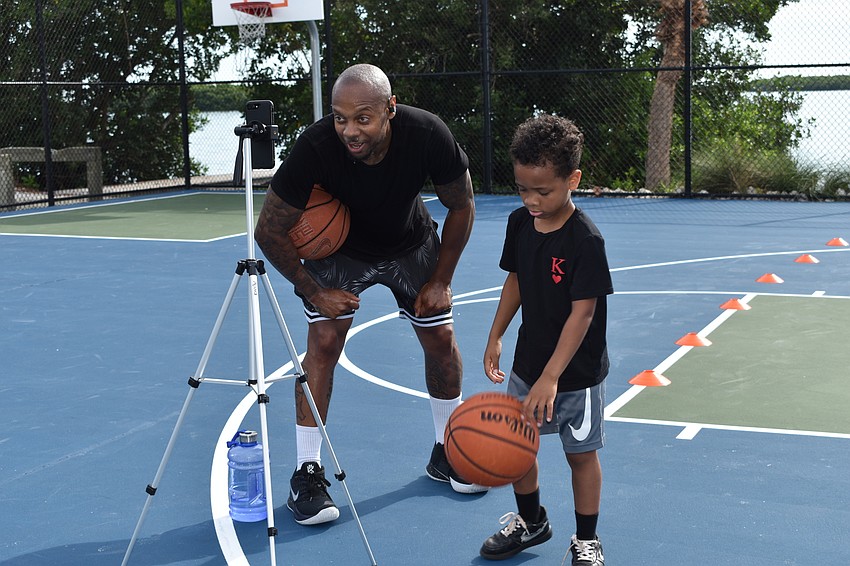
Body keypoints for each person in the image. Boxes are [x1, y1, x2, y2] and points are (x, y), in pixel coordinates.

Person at [254, 63, 486, 526]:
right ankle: (307, 472)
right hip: (341, 253)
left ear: (390, 109)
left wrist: (441, 280)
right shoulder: (316, 147)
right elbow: (269, 230)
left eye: (363, 117)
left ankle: (448, 450)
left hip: (410, 243)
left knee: (440, 341)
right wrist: (314, 290)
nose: (349, 130)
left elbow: (462, 205)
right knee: (322, 344)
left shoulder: (427, 134)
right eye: (340, 118)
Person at [479, 114, 612, 565]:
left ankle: (586, 539)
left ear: (573, 179)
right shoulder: (519, 223)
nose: (532, 200)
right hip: (527, 363)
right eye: (523, 189)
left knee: (581, 456)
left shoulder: (585, 240)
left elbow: (583, 313)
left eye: (544, 191)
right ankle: (532, 521)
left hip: (575, 374)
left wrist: (552, 377)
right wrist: (496, 334)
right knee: (518, 447)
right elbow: (515, 280)